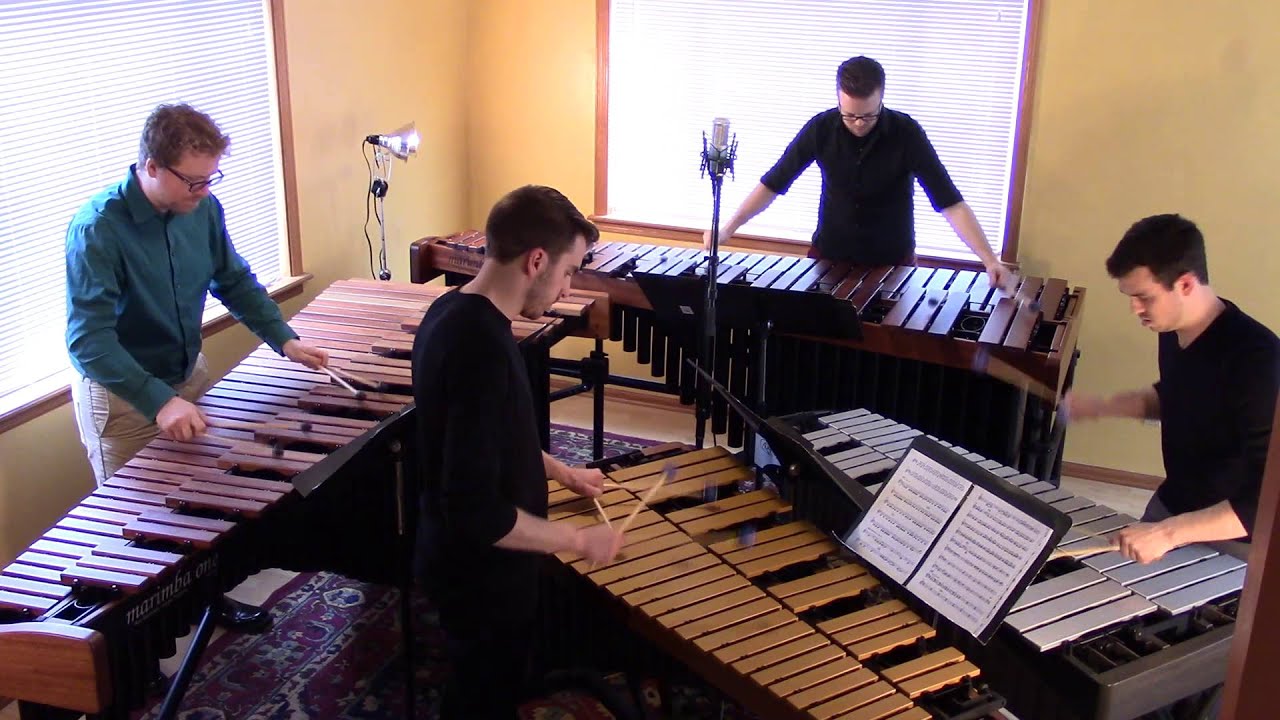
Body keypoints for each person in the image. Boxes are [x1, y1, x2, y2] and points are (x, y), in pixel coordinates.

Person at [65, 102, 330, 632]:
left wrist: (284, 338)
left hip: (186, 373)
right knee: (137, 532)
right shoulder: (98, 229)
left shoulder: (202, 209)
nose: (205, 191)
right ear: (152, 167)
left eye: (211, 179)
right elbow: (87, 340)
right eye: (193, 181)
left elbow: (231, 279)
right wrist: (159, 400)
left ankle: (206, 601)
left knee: (199, 510)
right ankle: (140, 650)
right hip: (122, 394)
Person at [411, 185, 627, 719]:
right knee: (481, 697)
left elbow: (487, 437)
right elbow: (476, 510)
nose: (567, 284)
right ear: (536, 260)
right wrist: (578, 539)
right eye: (569, 270)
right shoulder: (481, 348)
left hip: (460, 558)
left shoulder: (450, 311)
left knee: (493, 679)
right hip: (481, 572)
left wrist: (560, 472)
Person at [1064, 213, 1279, 566]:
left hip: (1236, 537)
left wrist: (1167, 533)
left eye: (1144, 298)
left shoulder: (1258, 361)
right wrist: (1103, 406)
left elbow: (1268, 498)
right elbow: (1182, 397)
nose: (1135, 309)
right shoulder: (1173, 328)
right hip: (1175, 501)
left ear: (1186, 285)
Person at [705, 55, 1014, 291]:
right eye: (849, 115)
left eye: (868, 116)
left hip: (892, 265)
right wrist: (729, 228)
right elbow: (774, 183)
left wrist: (988, 259)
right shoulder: (821, 128)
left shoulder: (906, 133)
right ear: (838, 98)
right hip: (828, 259)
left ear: (882, 98)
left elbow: (950, 202)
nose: (858, 124)